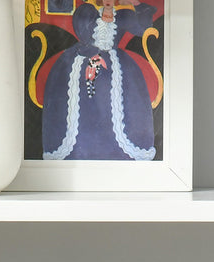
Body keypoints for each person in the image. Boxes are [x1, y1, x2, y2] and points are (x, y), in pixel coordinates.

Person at [41, 0, 157, 161]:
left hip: (117, 61)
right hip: (84, 57)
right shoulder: (86, 10)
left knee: (125, 93)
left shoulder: (123, 13)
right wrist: (93, 55)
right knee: (85, 94)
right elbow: (83, 35)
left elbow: (143, 27)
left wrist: (136, 4)